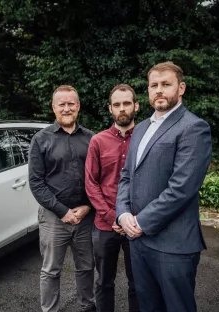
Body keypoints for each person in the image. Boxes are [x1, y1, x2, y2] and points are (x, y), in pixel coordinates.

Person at [116, 62, 212, 312]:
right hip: (139, 243)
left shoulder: (193, 127)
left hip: (174, 246)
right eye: (154, 85)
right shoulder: (141, 129)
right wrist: (123, 213)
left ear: (181, 88)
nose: (159, 90)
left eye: (165, 84)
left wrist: (140, 222)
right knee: (147, 306)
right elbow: (127, 176)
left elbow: (182, 189)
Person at [28, 85, 96, 312]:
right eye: (62, 104)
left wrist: (87, 206)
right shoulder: (41, 139)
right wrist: (63, 212)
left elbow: (98, 178)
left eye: (71, 104)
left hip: (86, 217)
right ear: (54, 108)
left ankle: (88, 306)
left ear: (78, 106)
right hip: (53, 218)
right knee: (50, 270)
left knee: (86, 267)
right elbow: (36, 183)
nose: (66, 109)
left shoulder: (92, 139)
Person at [85, 84, 140, 312]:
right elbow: (91, 183)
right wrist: (112, 217)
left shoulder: (147, 137)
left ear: (136, 105)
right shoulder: (98, 141)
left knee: (138, 283)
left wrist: (134, 219)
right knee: (104, 282)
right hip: (105, 226)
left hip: (138, 224)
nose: (122, 109)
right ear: (110, 109)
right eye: (117, 104)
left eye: (126, 103)